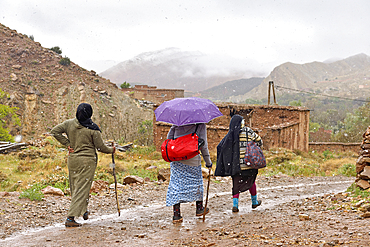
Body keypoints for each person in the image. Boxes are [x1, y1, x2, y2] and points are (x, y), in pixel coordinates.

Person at [51, 103, 115, 227]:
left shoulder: (69, 124)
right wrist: (112, 150)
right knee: (82, 188)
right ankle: (70, 218)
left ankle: (83, 211)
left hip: (73, 160)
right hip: (87, 162)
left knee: (76, 186)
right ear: (89, 114)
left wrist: (67, 143)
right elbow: (100, 147)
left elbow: (54, 132)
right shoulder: (93, 129)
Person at [165, 123, 212, 223]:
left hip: (177, 159)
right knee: (196, 183)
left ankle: (176, 214)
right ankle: (199, 208)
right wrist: (208, 162)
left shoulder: (176, 124)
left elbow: (169, 140)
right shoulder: (200, 124)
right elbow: (203, 146)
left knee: (176, 185)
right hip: (192, 159)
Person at [215, 114, 262, 212]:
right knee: (251, 182)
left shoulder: (230, 135)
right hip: (249, 164)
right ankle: (254, 202)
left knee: (236, 185)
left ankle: (235, 205)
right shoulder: (248, 131)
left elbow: (221, 147)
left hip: (236, 167)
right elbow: (259, 141)